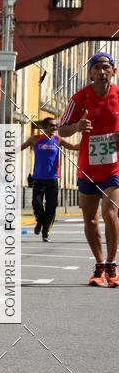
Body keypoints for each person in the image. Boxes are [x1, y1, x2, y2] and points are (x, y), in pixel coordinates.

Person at [58, 51, 119, 286]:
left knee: (110, 213)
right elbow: (61, 130)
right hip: (87, 168)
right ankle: (99, 264)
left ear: (113, 71)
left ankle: (112, 265)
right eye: (97, 67)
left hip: (113, 166)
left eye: (106, 67)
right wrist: (77, 126)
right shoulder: (79, 98)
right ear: (90, 72)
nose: (102, 71)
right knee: (90, 219)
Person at [20, 118, 78, 242]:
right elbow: (20, 148)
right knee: (37, 204)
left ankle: (45, 233)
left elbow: (73, 147)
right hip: (38, 179)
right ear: (45, 127)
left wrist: (88, 142)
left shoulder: (57, 140)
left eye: (55, 126)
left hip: (52, 180)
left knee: (51, 208)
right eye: (52, 126)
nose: (54, 128)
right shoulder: (35, 139)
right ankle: (40, 222)